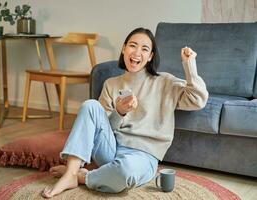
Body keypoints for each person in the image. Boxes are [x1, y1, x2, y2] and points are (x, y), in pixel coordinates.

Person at [42, 27, 209, 198]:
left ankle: (83, 176)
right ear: (123, 49)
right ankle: (71, 173)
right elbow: (98, 130)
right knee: (90, 105)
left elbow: (197, 100)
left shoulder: (165, 82)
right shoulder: (111, 84)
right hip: (111, 149)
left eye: (144, 49)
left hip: (143, 156)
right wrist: (119, 113)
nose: (137, 52)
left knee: (124, 171)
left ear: (150, 56)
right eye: (132, 45)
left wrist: (189, 66)